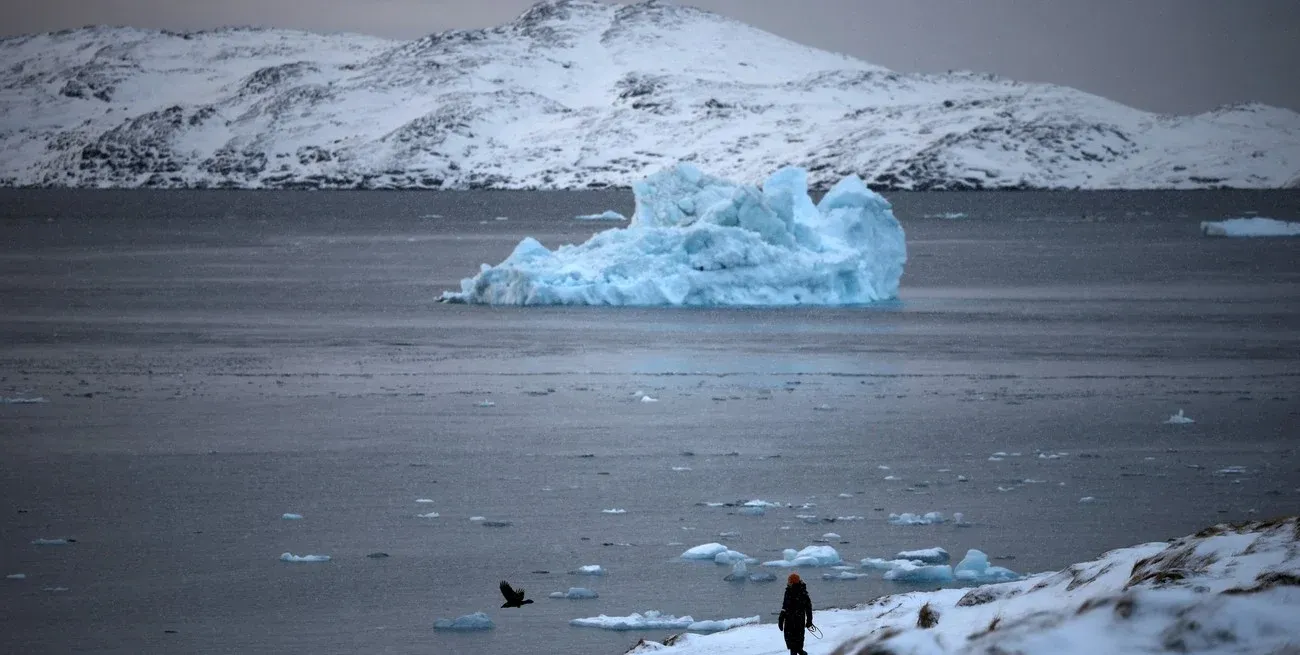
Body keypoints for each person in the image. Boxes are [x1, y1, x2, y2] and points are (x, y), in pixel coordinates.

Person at [777, 572, 813, 655]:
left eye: (789, 581)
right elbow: (784, 606)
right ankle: (799, 651)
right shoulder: (788, 591)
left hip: (798, 619)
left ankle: (798, 651)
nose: (788, 582)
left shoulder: (802, 593)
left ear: (793, 582)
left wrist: (809, 621)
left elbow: (808, 608)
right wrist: (781, 618)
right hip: (790, 619)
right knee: (792, 637)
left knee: (797, 637)